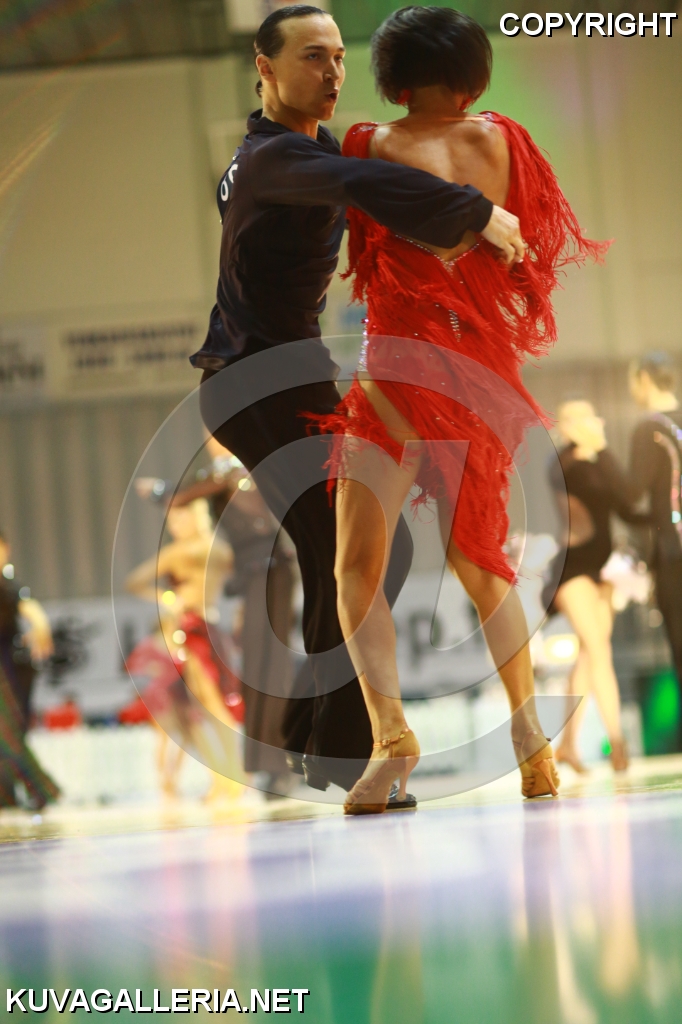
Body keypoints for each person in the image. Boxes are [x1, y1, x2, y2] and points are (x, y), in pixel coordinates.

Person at [190, 4, 526, 797]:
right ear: (264, 69)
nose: (334, 72)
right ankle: (342, 748)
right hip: (256, 378)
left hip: (286, 370)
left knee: (350, 554)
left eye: (341, 56)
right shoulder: (274, 156)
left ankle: (321, 744)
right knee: (345, 552)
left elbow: (365, 191)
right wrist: (476, 211)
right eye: (313, 56)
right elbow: (362, 182)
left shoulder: (294, 152)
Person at [312, 6, 609, 813]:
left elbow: (353, 242)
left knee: (355, 570)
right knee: (481, 561)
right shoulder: (506, 141)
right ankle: (530, 738)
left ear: (393, 75)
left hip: (392, 374)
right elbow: (528, 260)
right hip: (476, 376)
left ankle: (391, 739)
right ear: (472, 70)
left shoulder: (367, 142)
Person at [543, 401, 648, 773]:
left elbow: (628, 501)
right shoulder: (564, 463)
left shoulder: (599, 460)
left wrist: (602, 451)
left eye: (592, 414)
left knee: (590, 652)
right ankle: (617, 742)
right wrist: (593, 449)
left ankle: (568, 745)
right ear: (568, 426)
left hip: (604, 569)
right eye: (582, 417)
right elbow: (574, 481)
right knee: (599, 647)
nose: (593, 421)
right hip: (573, 567)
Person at [125, 498, 244, 802]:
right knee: (202, 709)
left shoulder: (183, 552)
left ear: (194, 516)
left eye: (179, 519)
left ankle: (230, 776)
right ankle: (226, 776)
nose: (174, 526)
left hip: (194, 630)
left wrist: (169, 598)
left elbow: (134, 581)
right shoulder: (220, 549)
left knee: (207, 706)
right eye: (172, 521)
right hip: (204, 626)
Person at [629, 352, 682, 752]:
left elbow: (632, 494)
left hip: (673, 553)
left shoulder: (650, 428)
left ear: (644, 380)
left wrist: (597, 464)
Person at [0, 532, 60, 809]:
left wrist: (41, 628)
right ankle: (8, 794)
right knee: (8, 733)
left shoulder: (7, 585)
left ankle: (42, 789)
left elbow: (32, 610)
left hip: (10, 669)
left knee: (9, 732)